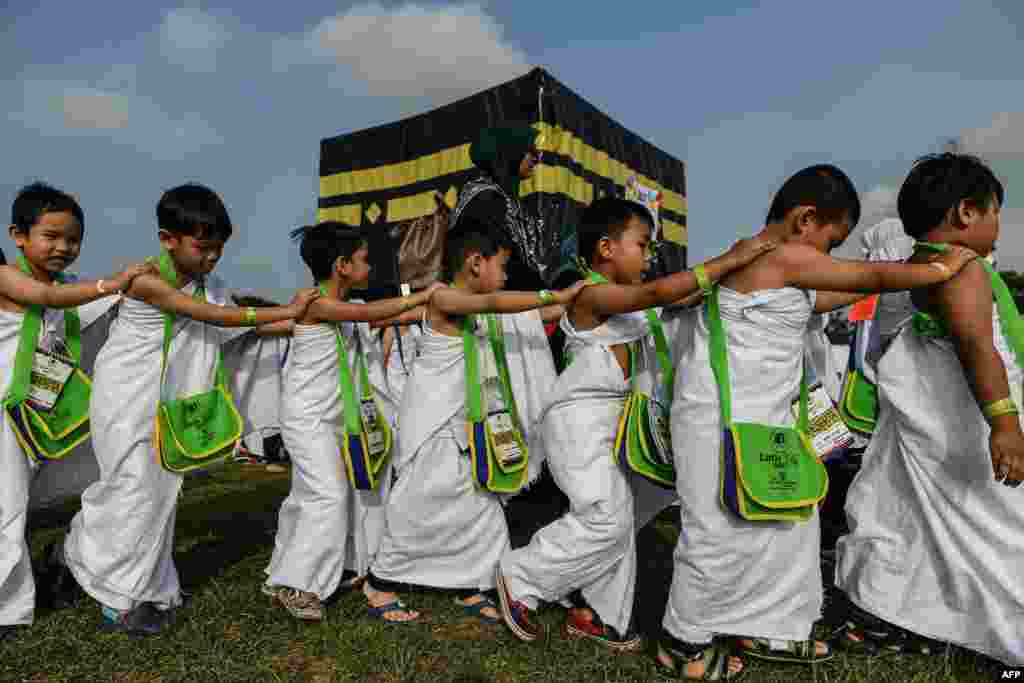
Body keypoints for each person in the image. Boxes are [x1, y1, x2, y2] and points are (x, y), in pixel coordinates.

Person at [657, 164, 976, 680]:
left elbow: (834, 292)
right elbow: (866, 277)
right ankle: (683, 640)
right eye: (831, 242)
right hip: (718, 420)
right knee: (718, 530)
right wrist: (938, 270)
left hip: (765, 421)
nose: (829, 257)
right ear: (806, 219)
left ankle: (773, 625)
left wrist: (910, 265)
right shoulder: (777, 254)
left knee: (791, 523)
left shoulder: (784, 269)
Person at [495, 197, 776, 650]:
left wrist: (740, 268)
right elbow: (655, 294)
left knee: (623, 515)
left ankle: (597, 612)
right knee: (606, 517)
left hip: (621, 421)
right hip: (578, 422)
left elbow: (679, 296)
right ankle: (520, 576)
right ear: (606, 248)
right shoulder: (591, 293)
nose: (649, 257)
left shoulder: (636, 307)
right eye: (642, 245)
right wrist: (732, 257)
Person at [58, 183, 318, 636]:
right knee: (130, 489)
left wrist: (300, 322)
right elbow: (210, 318)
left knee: (158, 496)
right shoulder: (142, 280)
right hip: (126, 398)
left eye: (219, 249)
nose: (212, 258)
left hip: (173, 403)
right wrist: (285, 310)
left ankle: (123, 576)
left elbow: (233, 329)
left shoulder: (211, 288)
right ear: (167, 238)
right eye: (203, 247)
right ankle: (114, 590)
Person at [835, 153, 1024, 666]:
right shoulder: (960, 270)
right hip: (973, 421)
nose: (997, 228)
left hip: (942, 417)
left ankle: (909, 615)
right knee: (996, 530)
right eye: (995, 214)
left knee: (915, 519)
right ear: (966, 212)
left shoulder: (926, 263)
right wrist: (1005, 423)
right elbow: (977, 347)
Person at [361, 218, 585, 623]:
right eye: (501, 265)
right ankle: (381, 579)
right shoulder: (445, 299)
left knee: (479, 508)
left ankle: (474, 581)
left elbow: (538, 312)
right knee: (418, 503)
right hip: (433, 422)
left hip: (465, 423)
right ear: (475, 263)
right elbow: (496, 304)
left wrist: (578, 300)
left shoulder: (481, 306)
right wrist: (557, 292)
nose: (504, 275)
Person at [262, 222, 440, 621]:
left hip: (336, 419)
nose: (370, 266)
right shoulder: (315, 304)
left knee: (310, 497)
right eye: (362, 260)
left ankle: (282, 573)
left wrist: (427, 311)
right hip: (307, 420)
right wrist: (424, 294)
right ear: (341, 266)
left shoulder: (348, 311)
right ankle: (300, 586)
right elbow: (378, 311)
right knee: (329, 495)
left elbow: (378, 317)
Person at [0, 182, 154, 641]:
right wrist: (112, 284)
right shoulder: (9, 278)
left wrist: (138, 285)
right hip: (8, 415)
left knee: (109, 481)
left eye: (73, 239)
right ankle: (8, 609)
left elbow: (95, 305)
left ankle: (73, 559)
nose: (63, 247)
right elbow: (46, 299)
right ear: (18, 235)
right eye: (51, 235)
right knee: (6, 510)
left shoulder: (74, 290)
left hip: (52, 417)